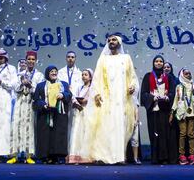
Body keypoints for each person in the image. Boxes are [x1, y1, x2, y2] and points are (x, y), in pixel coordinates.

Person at [81, 34, 139, 164]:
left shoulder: (126, 58)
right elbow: (96, 79)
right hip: (106, 99)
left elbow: (133, 77)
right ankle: (102, 157)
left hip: (122, 99)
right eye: (109, 40)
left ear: (119, 42)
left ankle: (119, 157)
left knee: (119, 127)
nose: (111, 42)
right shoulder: (103, 59)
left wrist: (132, 87)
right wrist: (96, 93)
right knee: (105, 127)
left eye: (114, 40)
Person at [7, 51, 44, 164]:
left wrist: (30, 85)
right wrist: (22, 83)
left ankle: (29, 155)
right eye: (29, 59)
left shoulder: (39, 75)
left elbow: (40, 91)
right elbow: (14, 88)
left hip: (31, 103)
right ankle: (15, 155)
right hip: (20, 102)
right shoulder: (19, 74)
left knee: (29, 128)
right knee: (16, 127)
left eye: (33, 59)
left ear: (36, 61)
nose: (31, 61)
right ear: (26, 60)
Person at [141, 55, 177, 164]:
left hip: (165, 109)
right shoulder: (148, 76)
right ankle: (155, 158)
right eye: (156, 61)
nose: (158, 63)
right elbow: (143, 93)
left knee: (165, 134)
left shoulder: (169, 77)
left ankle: (165, 158)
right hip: (153, 109)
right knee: (154, 133)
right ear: (153, 63)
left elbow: (172, 92)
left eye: (161, 61)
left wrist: (168, 97)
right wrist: (152, 97)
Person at [33, 65, 72, 164]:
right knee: (45, 135)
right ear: (47, 73)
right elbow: (36, 100)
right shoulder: (40, 85)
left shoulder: (63, 84)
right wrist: (43, 105)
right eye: (52, 72)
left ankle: (58, 156)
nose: (54, 73)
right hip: (45, 114)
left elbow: (69, 95)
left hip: (59, 114)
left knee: (58, 135)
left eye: (55, 71)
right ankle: (44, 157)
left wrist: (63, 95)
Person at [170, 68, 194, 165]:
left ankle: (192, 156)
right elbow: (176, 100)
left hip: (191, 113)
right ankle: (182, 156)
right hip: (181, 113)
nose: (188, 75)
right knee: (182, 134)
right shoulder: (179, 87)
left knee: (191, 134)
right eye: (186, 74)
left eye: (189, 73)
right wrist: (172, 112)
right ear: (182, 76)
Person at [67, 69, 93, 164]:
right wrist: (75, 102)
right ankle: (75, 156)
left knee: (85, 133)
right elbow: (74, 96)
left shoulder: (92, 88)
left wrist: (87, 100)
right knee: (76, 133)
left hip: (87, 112)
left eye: (85, 75)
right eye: (82, 74)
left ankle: (85, 157)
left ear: (90, 77)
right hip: (78, 112)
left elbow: (93, 100)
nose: (83, 76)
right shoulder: (79, 87)